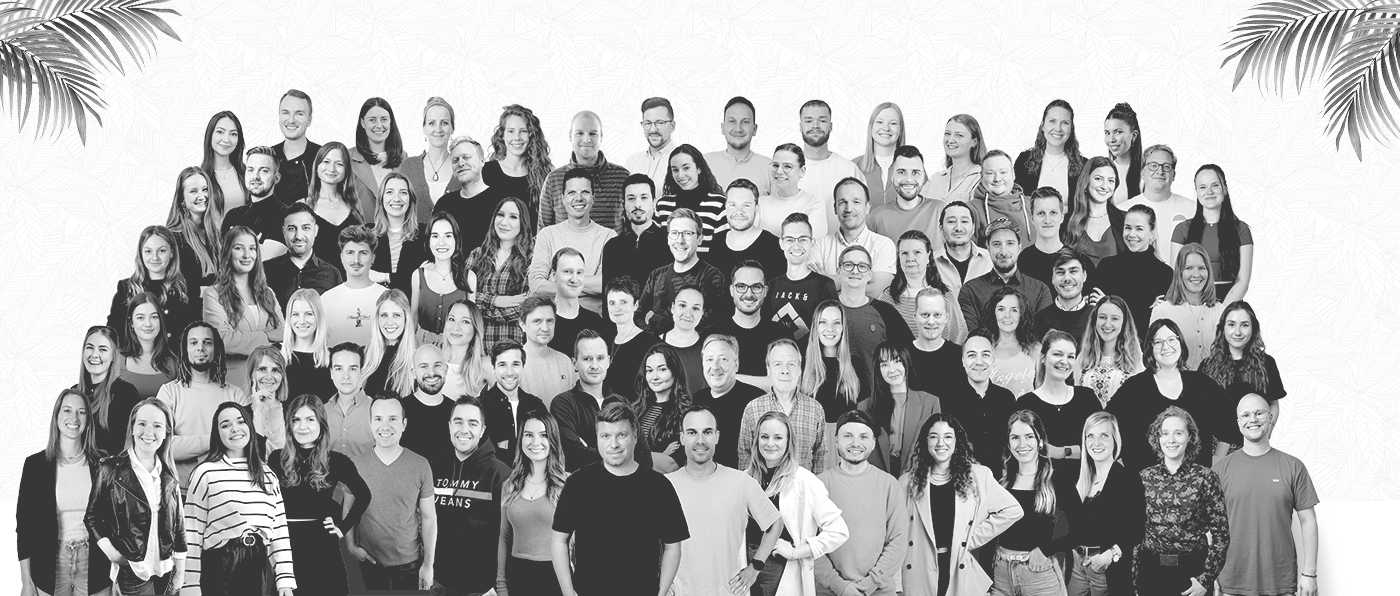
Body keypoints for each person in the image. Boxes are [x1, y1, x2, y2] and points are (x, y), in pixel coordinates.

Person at [552, 403, 689, 594]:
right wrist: (568, 592)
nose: (613, 444)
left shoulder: (659, 486)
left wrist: (661, 592)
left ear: (635, 436)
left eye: (621, 435)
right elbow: (559, 540)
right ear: (597, 438)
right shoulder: (578, 482)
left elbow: (673, 546)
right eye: (605, 436)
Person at [667, 402, 785, 596]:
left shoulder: (741, 482)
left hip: (728, 592)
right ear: (682, 438)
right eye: (692, 432)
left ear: (717, 436)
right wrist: (660, 577)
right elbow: (646, 538)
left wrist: (755, 567)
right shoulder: (665, 486)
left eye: (707, 432)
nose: (700, 440)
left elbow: (775, 524)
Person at [901, 413, 1023, 596]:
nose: (941, 443)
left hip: (958, 567)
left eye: (948, 436)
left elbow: (1013, 510)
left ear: (956, 441)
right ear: (925, 441)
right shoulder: (906, 481)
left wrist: (970, 539)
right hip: (917, 571)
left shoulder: (978, 476)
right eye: (933, 437)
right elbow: (895, 534)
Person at [182, 401, 295, 595]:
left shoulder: (268, 475)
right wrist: (190, 584)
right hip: (219, 565)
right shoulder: (205, 473)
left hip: (257, 567)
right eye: (225, 425)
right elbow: (191, 532)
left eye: (241, 422)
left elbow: (279, 531)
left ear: (250, 427)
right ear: (217, 434)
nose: (234, 428)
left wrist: (284, 579)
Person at [1213, 394, 1319, 596]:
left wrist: (1310, 574)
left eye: (1259, 413)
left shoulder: (1293, 466)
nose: (1252, 419)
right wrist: (1209, 573)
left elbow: (1308, 520)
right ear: (1238, 422)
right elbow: (1210, 527)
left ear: (1270, 417)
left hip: (1280, 583)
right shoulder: (1220, 470)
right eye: (1245, 415)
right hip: (1230, 583)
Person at [270, 394, 371, 596]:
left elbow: (364, 495)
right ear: (289, 424)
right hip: (287, 544)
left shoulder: (337, 461)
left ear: (321, 424)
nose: (302, 426)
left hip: (322, 545)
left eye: (310, 419)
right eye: (296, 420)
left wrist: (342, 528)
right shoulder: (276, 459)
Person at [83, 398, 187, 595]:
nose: (149, 432)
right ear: (132, 428)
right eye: (142, 423)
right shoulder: (110, 469)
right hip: (132, 568)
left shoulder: (169, 475)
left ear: (166, 433)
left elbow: (179, 526)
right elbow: (92, 517)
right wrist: (112, 553)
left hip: (166, 568)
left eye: (157, 426)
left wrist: (180, 573)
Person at [744, 410, 850, 596]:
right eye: (764, 437)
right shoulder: (745, 478)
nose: (770, 443)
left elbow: (839, 531)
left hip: (780, 567)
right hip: (745, 566)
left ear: (788, 442)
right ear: (756, 440)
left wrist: (796, 552)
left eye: (778, 437)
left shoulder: (804, 480)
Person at [18, 389, 111, 596]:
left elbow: (115, 523)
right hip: (50, 563)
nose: (74, 418)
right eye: (67, 410)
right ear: (57, 416)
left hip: (95, 563)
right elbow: (24, 526)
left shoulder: (102, 464)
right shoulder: (35, 465)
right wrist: (26, 580)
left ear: (88, 420)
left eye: (81, 412)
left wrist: (118, 572)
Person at [1108, 319, 1228, 473]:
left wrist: (1217, 459)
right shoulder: (1134, 387)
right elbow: (1106, 425)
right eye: (1158, 342)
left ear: (1180, 343)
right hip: (1147, 484)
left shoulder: (1201, 383)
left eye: (1171, 339)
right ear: (1150, 347)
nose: (1166, 347)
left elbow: (1228, 424)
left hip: (1195, 482)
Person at [813, 409, 907, 596]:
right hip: (830, 591)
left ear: (873, 443)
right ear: (836, 440)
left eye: (863, 437)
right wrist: (840, 586)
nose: (855, 443)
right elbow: (811, 542)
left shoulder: (889, 485)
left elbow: (898, 541)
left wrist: (870, 584)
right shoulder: (817, 485)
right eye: (848, 436)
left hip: (879, 591)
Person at [350, 395, 438, 591]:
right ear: (370, 423)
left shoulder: (420, 465)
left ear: (404, 424)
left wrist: (428, 565)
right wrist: (351, 546)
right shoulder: (355, 466)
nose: (385, 426)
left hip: (410, 563)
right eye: (378, 419)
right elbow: (349, 510)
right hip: (369, 561)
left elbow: (429, 517)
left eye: (393, 419)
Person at [1137, 407, 1229, 596]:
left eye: (1178, 433)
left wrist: (1205, 580)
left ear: (1190, 437)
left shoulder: (1206, 478)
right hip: (1150, 575)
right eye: (1165, 433)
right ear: (1158, 438)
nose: (1171, 440)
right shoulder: (1144, 478)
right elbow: (1133, 534)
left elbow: (1221, 535)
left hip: (1193, 574)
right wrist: (1134, 582)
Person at [429, 396, 512, 595]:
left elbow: (509, 536)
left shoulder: (501, 475)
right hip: (438, 584)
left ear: (482, 430)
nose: (464, 430)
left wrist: (498, 586)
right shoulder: (434, 468)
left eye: (472, 423)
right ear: (449, 426)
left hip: (481, 587)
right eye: (458, 422)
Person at [992, 410, 1076, 596]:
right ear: (1009, 443)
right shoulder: (1000, 482)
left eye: (1029, 436)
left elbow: (1082, 530)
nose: (1022, 444)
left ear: (1040, 441)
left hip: (1040, 577)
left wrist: (1046, 550)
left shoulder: (1058, 481)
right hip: (1001, 577)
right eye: (1015, 437)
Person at [158, 321, 250, 489]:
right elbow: (162, 446)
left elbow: (246, 447)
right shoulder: (169, 392)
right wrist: (216, 439)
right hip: (181, 492)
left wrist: (189, 447)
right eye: (194, 343)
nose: (200, 348)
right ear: (185, 350)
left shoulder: (235, 394)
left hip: (227, 489)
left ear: (216, 349)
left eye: (207, 342)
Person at [1064, 412, 1144, 596]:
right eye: (1090, 436)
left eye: (1104, 435)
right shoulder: (1079, 478)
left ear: (1115, 440)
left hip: (1106, 568)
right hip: (1076, 566)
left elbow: (1138, 528)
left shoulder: (1127, 478)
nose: (1096, 442)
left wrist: (1110, 555)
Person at [550, 329, 650, 470]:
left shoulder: (622, 403)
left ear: (609, 361)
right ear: (574, 364)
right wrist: (624, 456)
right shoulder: (563, 404)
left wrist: (591, 450)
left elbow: (644, 454)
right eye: (587, 359)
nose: (595, 366)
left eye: (600, 358)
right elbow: (574, 456)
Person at [495, 409, 570, 596]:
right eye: (529, 435)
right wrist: (501, 584)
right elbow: (504, 536)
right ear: (521, 440)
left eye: (543, 435)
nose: (535, 442)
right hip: (518, 577)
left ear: (553, 440)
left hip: (556, 578)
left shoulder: (568, 485)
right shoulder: (509, 485)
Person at [201, 225, 282, 390]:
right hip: (234, 385)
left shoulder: (268, 294)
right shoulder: (213, 294)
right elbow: (223, 340)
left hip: (269, 385)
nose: (247, 255)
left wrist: (243, 339)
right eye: (239, 248)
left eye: (252, 248)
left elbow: (284, 335)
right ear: (228, 252)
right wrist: (268, 336)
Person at [1016, 330, 1103, 482]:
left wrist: (1060, 452)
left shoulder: (1087, 397)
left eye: (1070, 356)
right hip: (1042, 485)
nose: (1064, 361)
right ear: (1043, 358)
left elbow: (1104, 445)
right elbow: (1021, 450)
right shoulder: (1025, 404)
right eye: (1057, 354)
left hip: (1086, 484)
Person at [1200, 301, 1288, 451]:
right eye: (1231, 324)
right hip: (1216, 447)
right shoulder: (1207, 366)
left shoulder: (1266, 363)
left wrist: (1265, 433)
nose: (1237, 332)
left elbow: (1273, 403)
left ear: (1253, 329)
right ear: (1223, 329)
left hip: (1253, 444)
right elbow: (1200, 410)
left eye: (1244, 325)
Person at [529, 168, 617, 313]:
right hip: (554, 321)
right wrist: (589, 285)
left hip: (593, 321)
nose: (579, 198)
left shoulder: (608, 236)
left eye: (585, 192)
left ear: (593, 197)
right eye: (572, 193)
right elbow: (536, 286)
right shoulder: (547, 235)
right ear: (563, 199)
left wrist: (558, 282)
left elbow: (605, 284)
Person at [738, 339, 829, 474]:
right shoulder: (752, 409)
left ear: (799, 369)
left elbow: (820, 454)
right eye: (778, 364)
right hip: (763, 487)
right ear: (768, 369)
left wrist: (814, 486)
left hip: (802, 487)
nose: (785, 370)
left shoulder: (815, 409)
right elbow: (745, 454)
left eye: (791, 364)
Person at [937, 329, 1020, 473]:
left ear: (993, 360)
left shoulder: (1007, 398)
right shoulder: (947, 399)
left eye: (985, 355)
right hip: (961, 478)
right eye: (972, 355)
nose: (979, 361)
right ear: (963, 361)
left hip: (1001, 480)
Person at [801, 300, 870, 471]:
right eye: (823, 322)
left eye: (836, 323)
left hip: (846, 446)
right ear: (815, 327)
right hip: (810, 446)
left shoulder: (856, 365)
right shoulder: (803, 365)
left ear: (843, 328)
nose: (830, 329)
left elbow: (864, 416)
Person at [1172, 165, 1254, 303]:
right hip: (1191, 302)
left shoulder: (1241, 229)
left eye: (1215, 185)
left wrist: (1223, 311)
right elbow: (1177, 277)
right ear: (1196, 192)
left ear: (1225, 189)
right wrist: (1195, 308)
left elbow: (1243, 282)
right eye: (1202, 187)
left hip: (1230, 303)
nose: (1209, 192)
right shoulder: (1182, 230)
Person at [833, 246, 913, 386]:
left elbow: (909, 354)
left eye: (862, 266)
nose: (855, 271)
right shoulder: (824, 311)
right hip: (832, 395)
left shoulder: (885, 312)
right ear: (838, 272)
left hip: (875, 396)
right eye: (848, 265)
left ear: (870, 274)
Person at [639, 208, 728, 333]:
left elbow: (699, 327)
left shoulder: (713, 276)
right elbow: (637, 316)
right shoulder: (656, 275)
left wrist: (653, 319)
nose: (680, 241)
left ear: (699, 239)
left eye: (687, 234)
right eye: (674, 233)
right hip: (654, 345)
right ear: (668, 238)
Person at [539, 110, 631, 231]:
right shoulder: (553, 180)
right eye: (580, 133)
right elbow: (543, 233)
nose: (587, 139)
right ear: (570, 136)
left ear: (601, 136)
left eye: (593, 134)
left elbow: (633, 228)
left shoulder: (622, 177)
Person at [107, 225, 198, 346]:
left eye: (162, 251)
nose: (155, 257)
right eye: (148, 251)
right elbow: (113, 335)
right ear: (141, 253)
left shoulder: (186, 288)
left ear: (172, 252)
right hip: (137, 357)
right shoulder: (127, 288)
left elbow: (196, 334)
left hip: (177, 356)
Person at [706, 261, 794, 385]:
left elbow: (789, 384)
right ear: (731, 290)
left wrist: (728, 378)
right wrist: (767, 382)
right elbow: (704, 382)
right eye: (741, 286)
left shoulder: (783, 335)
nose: (748, 294)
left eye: (756, 287)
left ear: (765, 291)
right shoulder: (711, 335)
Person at [959, 218, 1052, 333]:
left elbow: (1043, 336)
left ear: (1019, 248)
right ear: (988, 248)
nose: (1003, 252)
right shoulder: (970, 291)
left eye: (1010, 243)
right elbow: (972, 338)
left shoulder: (1040, 291)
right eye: (996, 244)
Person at [464, 197, 534, 348]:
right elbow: (461, 294)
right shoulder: (477, 255)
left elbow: (526, 307)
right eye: (500, 215)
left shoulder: (531, 260)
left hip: (512, 347)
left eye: (513, 217)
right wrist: (495, 301)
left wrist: (479, 307)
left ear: (523, 223)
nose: (504, 222)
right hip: (475, 347)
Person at [811, 178, 898, 297]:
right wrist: (860, 283)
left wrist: (830, 281)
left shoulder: (883, 245)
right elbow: (812, 288)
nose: (849, 209)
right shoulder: (819, 245)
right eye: (842, 202)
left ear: (867, 207)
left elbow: (876, 291)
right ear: (835, 208)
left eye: (856, 202)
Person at [1095, 205, 1173, 340]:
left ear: (1152, 234)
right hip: (1107, 345)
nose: (1131, 234)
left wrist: (1111, 308)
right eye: (1128, 228)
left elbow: (1156, 323)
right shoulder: (1106, 266)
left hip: (1143, 347)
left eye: (1139, 229)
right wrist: (1145, 310)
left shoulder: (1165, 274)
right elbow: (1098, 316)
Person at [693, 334, 767, 468]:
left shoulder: (756, 400)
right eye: (709, 359)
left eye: (723, 359)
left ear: (736, 365)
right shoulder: (698, 398)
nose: (715, 366)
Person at [879, 230, 965, 343]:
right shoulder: (887, 297)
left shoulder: (945, 295)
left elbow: (960, 336)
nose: (910, 258)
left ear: (928, 256)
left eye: (917, 252)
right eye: (904, 253)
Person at [1150, 243, 1225, 371]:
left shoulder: (1222, 312)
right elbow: (1154, 361)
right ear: (1179, 272)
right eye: (1189, 268)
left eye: (1201, 268)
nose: (1196, 274)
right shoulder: (1162, 312)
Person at [766, 213, 839, 342]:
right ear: (781, 243)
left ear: (812, 242)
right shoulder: (772, 286)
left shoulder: (825, 285)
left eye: (803, 239)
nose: (796, 245)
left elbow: (833, 334)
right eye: (790, 239)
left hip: (811, 355)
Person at [795, 100, 864, 234]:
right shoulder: (785, 171)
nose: (815, 126)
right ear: (800, 126)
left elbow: (862, 216)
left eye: (822, 120)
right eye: (809, 120)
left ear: (830, 126)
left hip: (842, 245)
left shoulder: (849, 170)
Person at [1120, 145, 1194, 264]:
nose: (1160, 171)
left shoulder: (1193, 210)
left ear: (1174, 175)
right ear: (1142, 173)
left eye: (1166, 166)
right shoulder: (1122, 210)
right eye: (1153, 165)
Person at [76, 325, 142, 456]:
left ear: (113, 356)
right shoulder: (74, 393)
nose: (94, 355)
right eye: (89, 347)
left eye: (103, 349)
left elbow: (135, 445)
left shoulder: (125, 394)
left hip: (110, 468)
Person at [432, 136, 504, 255]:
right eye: (455, 160)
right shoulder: (444, 204)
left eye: (466, 157)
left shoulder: (502, 201)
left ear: (482, 161)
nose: (460, 163)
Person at [264, 201, 344, 308]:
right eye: (292, 229)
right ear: (284, 232)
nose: (298, 236)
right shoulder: (265, 271)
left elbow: (339, 314)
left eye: (305, 228)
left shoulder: (332, 275)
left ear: (315, 230)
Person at [601, 173, 671, 292]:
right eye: (631, 198)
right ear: (623, 204)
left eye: (644, 198)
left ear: (654, 202)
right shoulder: (612, 247)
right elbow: (607, 295)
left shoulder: (669, 244)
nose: (637, 205)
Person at [322, 225, 389, 347]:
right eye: (350, 253)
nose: (356, 260)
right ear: (342, 258)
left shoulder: (386, 298)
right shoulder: (326, 300)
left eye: (363, 253)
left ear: (373, 258)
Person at [867, 144, 946, 248]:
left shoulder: (941, 210)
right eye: (901, 172)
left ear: (923, 176)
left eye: (915, 172)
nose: (909, 179)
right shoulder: (877, 218)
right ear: (892, 176)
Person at [304, 142, 366, 275]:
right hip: (317, 282)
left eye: (339, 164)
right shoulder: (304, 206)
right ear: (317, 166)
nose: (331, 169)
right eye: (326, 162)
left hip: (351, 282)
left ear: (346, 170)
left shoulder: (355, 205)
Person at [482, 340, 546, 464]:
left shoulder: (536, 405)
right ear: (493, 368)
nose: (509, 372)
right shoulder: (480, 406)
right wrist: (526, 444)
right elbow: (484, 453)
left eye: (515, 364)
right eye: (502, 365)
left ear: (523, 367)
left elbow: (547, 444)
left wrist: (509, 444)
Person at [655, 144, 730, 251]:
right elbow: (657, 248)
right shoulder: (662, 205)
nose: (680, 175)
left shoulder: (719, 204)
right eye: (675, 170)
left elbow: (722, 250)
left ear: (699, 168)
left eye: (686, 168)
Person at [486, 104, 554, 221]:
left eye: (523, 131)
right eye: (511, 131)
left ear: (531, 135)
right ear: (502, 135)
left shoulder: (544, 175)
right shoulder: (486, 172)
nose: (517, 137)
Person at [1075, 296, 1144, 407]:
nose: (1107, 324)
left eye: (1114, 318)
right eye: (1102, 317)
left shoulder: (1137, 359)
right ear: (1095, 320)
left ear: (1124, 323)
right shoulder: (1082, 359)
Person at [400, 97, 462, 220]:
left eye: (444, 123)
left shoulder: (463, 167)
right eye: (432, 123)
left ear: (452, 128)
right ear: (424, 128)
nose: (438, 129)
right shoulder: (408, 166)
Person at [708, 179, 785, 276]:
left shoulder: (773, 247)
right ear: (725, 207)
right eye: (733, 205)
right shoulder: (716, 241)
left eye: (746, 205)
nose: (739, 211)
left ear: (756, 209)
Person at [1013, 99, 1086, 202]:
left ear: (1071, 128)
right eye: (1052, 121)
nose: (1058, 128)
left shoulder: (1084, 166)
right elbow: (1015, 202)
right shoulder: (1024, 161)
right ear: (1043, 125)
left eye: (1065, 123)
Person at [413, 212, 470, 343]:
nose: (441, 242)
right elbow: (413, 319)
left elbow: (472, 322)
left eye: (448, 236)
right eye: (435, 236)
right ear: (428, 241)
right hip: (422, 343)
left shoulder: (469, 276)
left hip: (456, 344)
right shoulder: (418, 275)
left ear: (456, 240)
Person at [220, 146, 287, 256]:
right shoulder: (233, 215)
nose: (255, 176)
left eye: (264, 171)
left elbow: (266, 258)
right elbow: (222, 258)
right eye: (250, 170)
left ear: (276, 178)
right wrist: (252, 247)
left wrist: (235, 245)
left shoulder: (285, 215)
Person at [636, 344, 693, 473]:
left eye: (662, 369)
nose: (654, 377)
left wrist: (629, 454)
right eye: (649, 370)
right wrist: (660, 455)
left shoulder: (685, 413)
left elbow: (671, 465)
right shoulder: (636, 411)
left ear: (675, 371)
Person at [368, 173, 427, 296]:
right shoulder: (366, 234)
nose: (396, 198)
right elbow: (357, 275)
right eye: (390, 192)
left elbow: (425, 279)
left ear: (410, 199)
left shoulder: (425, 234)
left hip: (413, 303)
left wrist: (384, 277)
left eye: (403, 193)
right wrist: (410, 276)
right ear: (381, 198)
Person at [348, 97, 407, 219]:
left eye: (384, 119)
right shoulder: (347, 157)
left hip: (396, 228)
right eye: (372, 120)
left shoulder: (404, 158)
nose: (379, 125)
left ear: (390, 122)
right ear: (363, 123)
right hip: (362, 229)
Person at [1062, 156, 1127, 266]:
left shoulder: (1126, 220)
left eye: (1111, 181)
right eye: (1098, 179)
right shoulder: (1066, 223)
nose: (1105, 186)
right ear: (1086, 181)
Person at [547, 247, 612, 355]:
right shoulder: (542, 323)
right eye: (567, 272)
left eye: (579, 272)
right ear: (554, 275)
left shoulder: (596, 323)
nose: (574, 279)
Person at [165, 166, 219, 294]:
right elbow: (173, 287)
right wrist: (208, 291)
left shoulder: (217, 234)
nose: (202, 196)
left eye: (205, 190)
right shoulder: (173, 238)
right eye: (193, 191)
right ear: (182, 200)